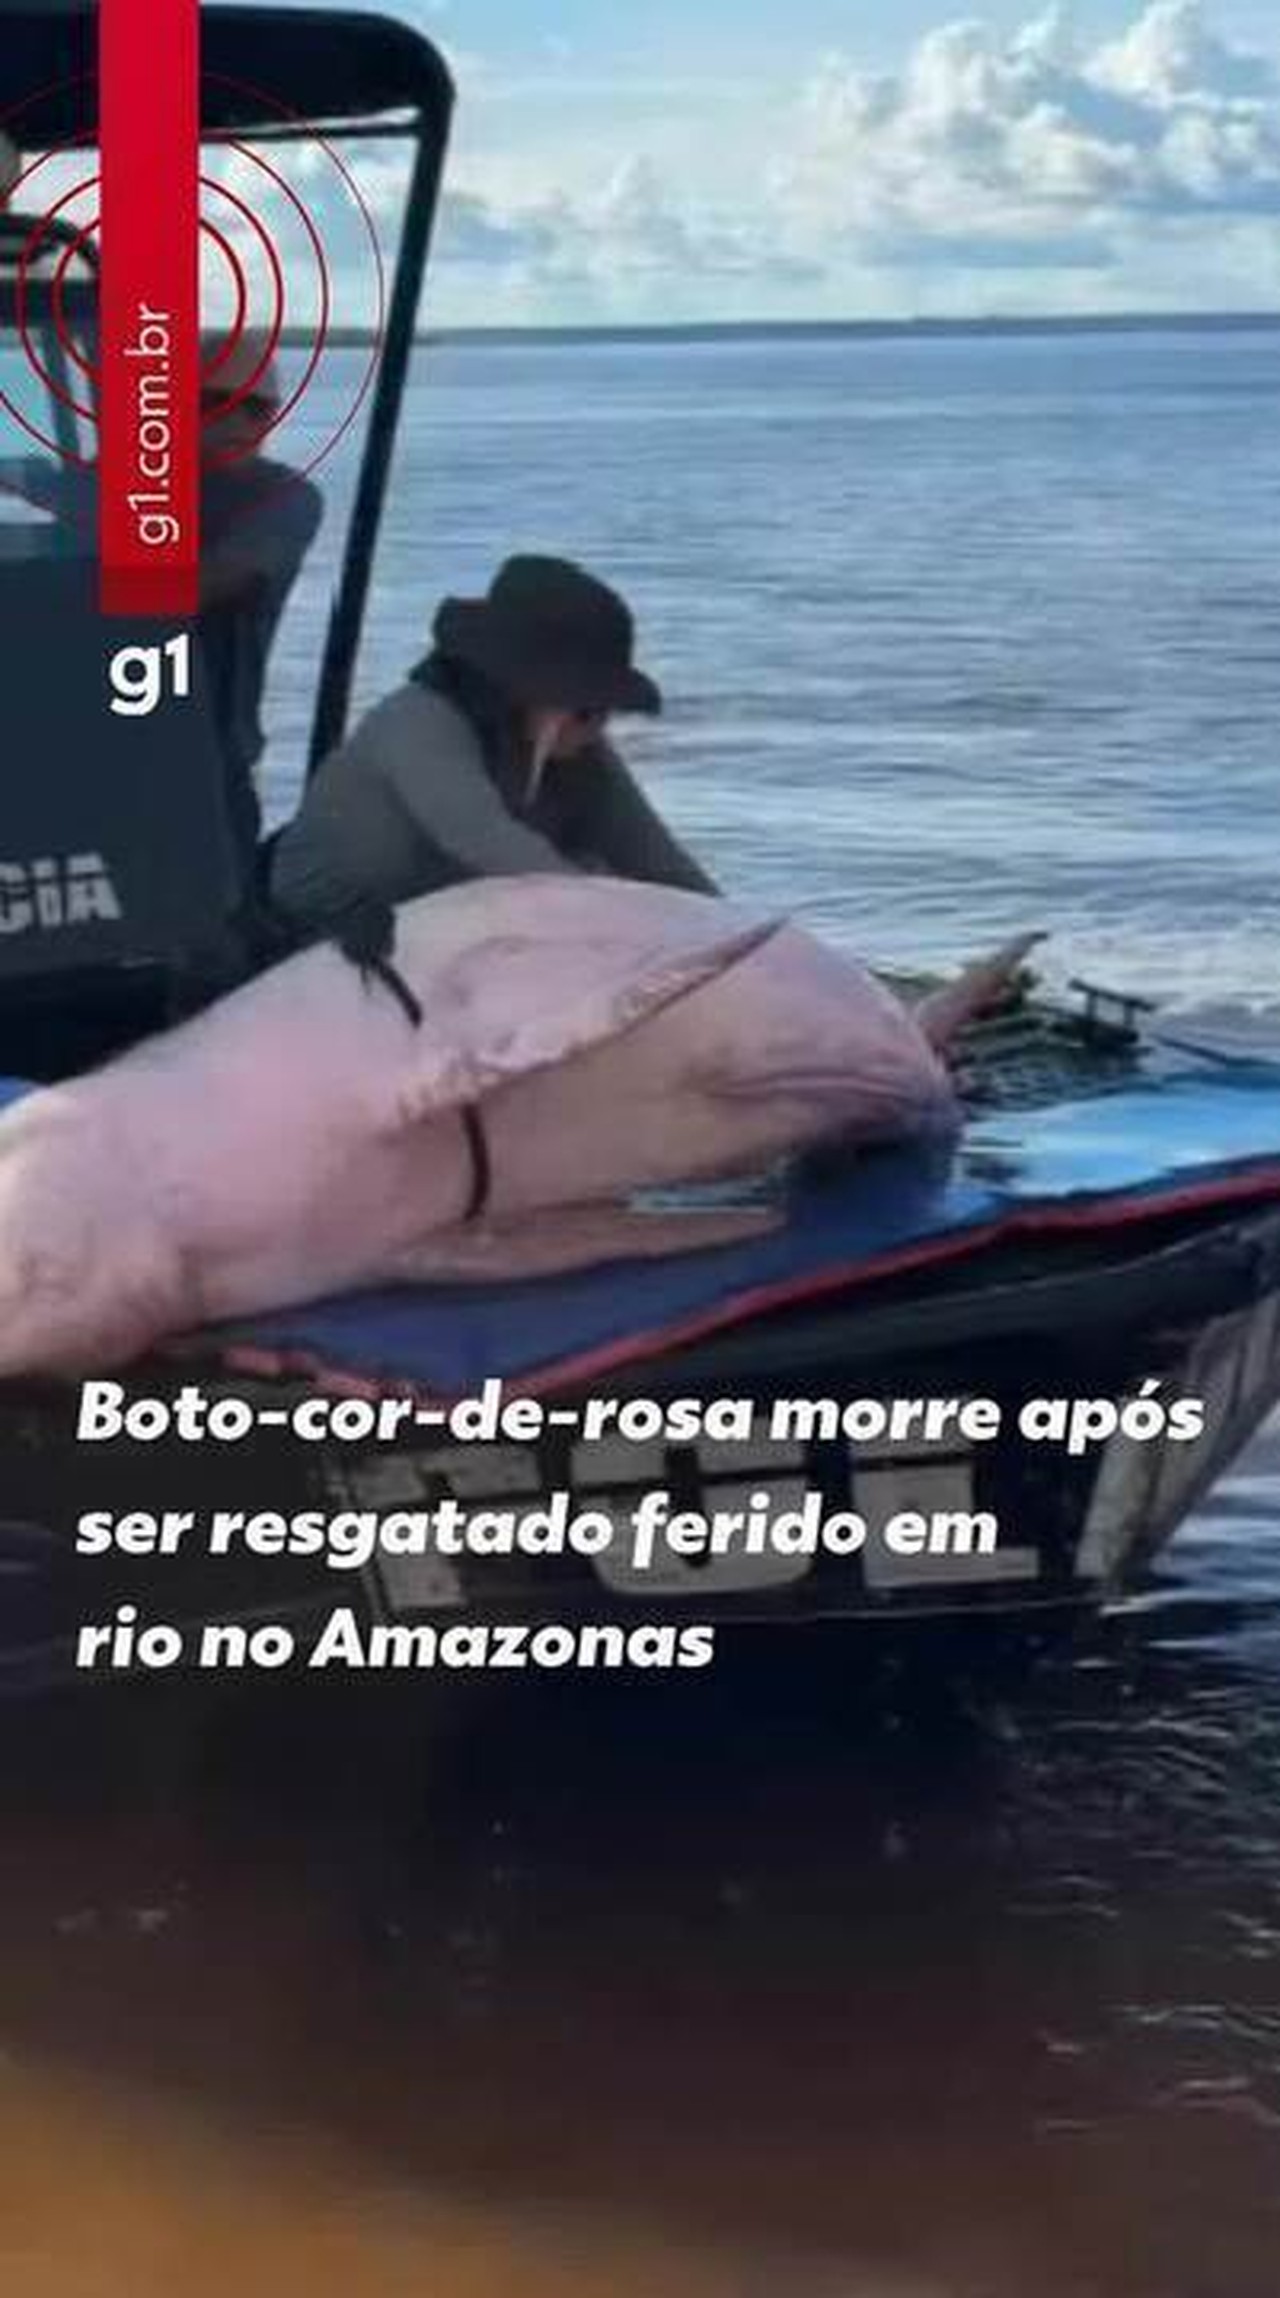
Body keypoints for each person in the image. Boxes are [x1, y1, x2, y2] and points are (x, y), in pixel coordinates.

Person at [268, 553, 716, 936]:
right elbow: (492, 845)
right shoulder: (419, 724)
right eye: (585, 710)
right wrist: (621, 918)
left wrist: (722, 930)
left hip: (429, 929)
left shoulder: (575, 750)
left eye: (605, 711)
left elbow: (659, 861)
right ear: (521, 689)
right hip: (310, 933)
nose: (597, 728)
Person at [14, 329, 323, 878]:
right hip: (87, 758)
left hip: (205, 770)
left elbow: (199, 586)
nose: (240, 422)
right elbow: (35, 488)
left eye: (258, 409)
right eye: (217, 402)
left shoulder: (283, 500)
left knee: (211, 915)